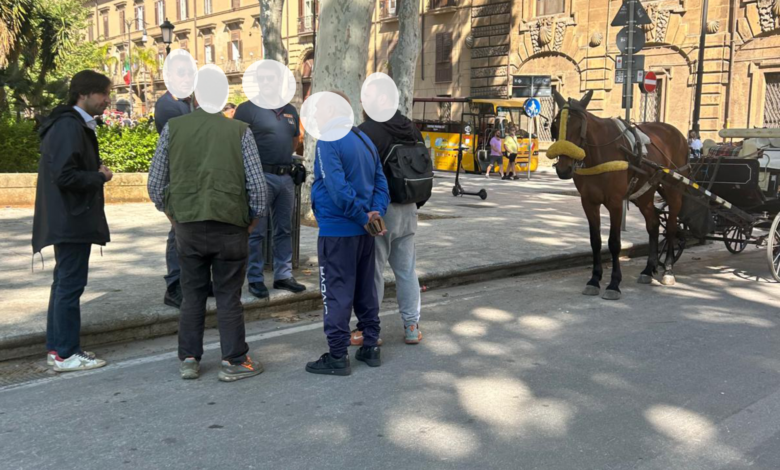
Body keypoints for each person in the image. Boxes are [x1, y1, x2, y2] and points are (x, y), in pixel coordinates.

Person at [147, 71, 268, 382]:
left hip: (187, 225)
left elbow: (156, 184)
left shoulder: (173, 128)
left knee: (192, 294)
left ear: (196, 97)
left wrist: (173, 215)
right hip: (230, 225)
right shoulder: (240, 131)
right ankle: (234, 360)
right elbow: (257, 187)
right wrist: (252, 220)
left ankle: (189, 358)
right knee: (229, 295)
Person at [33, 70, 113, 372]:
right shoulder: (69, 126)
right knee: (70, 285)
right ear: (84, 94)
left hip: (68, 217)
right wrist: (99, 176)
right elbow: (65, 176)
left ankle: (58, 349)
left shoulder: (69, 124)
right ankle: (66, 353)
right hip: (72, 218)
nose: (107, 100)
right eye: (103, 93)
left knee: (63, 283)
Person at [306, 91, 390, 376]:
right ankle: (370, 346)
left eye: (319, 109)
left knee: (337, 292)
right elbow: (381, 182)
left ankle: (338, 355)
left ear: (332, 110)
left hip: (338, 230)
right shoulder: (364, 139)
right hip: (364, 231)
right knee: (365, 289)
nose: (315, 115)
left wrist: (359, 215)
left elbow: (337, 188)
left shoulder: (328, 139)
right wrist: (373, 214)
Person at [358, 81, 426, 346]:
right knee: (406, 270)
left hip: (379, 210)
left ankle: (369, 329)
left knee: (373, 270)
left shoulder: (367, 131)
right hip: (409, 207)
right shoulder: (411, 127)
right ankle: (411, 326)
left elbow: (360, 174)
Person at [234, 61, 306, 299]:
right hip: (259, 177)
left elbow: (295, 141)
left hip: (285, 178)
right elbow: (235, 144)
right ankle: (255, 278)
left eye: (270, 78)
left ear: (278, 81)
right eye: (262, 78)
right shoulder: (246, 109)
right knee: (256, 231)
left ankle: (283, 276)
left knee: (284, 229)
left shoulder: (290, 110)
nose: (266, 82)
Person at [153, 60, 194, 308]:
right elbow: (183, 141)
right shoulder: (167, 106)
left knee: (190, 229)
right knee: (177, 230)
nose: (187, 79)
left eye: (190, 74)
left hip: (190, 174)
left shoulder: (186, 103)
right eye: (182, 74)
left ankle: (189, 281)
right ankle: (174, 286)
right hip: (177, 175)